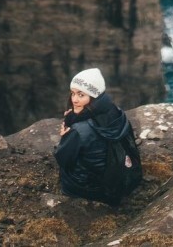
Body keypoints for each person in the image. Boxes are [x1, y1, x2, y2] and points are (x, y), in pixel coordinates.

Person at [53, 67, 140, 204]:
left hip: (92, 188)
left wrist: (65, 137)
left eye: (81, 95)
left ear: (94, 97)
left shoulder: (78, 130)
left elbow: (63, 159)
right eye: (73, 93)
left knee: (66, 173)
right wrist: (74, 118)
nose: (74, 100)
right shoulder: (116, 112)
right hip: (119, 177)